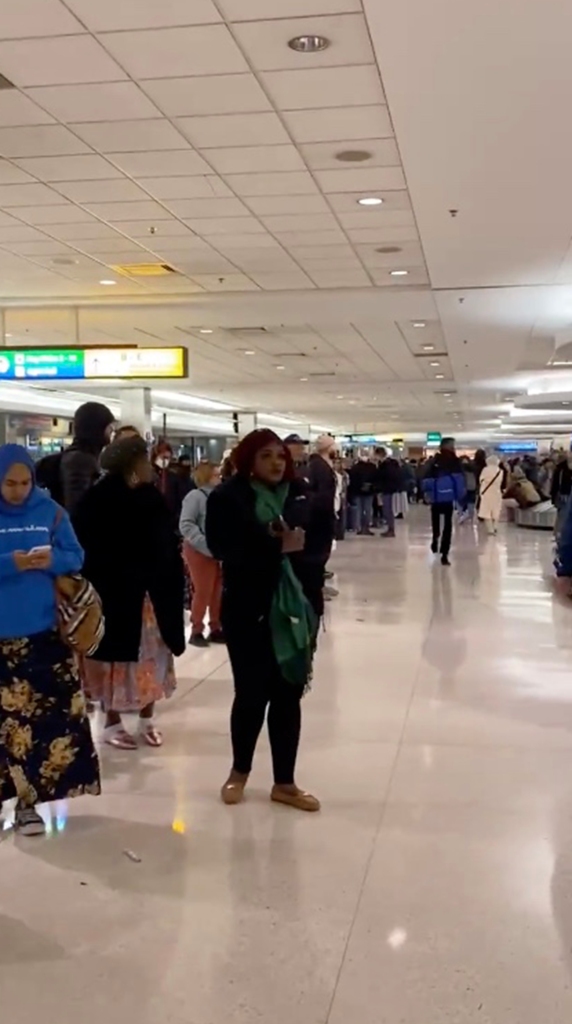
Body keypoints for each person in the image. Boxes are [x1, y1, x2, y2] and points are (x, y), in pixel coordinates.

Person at [206, 429, 320, 812]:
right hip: (248, 609)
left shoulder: (300, 493)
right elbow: (222, 547)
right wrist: (274, 545)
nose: (276, 463)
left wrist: (310, 592)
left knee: (288, 694)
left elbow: (321, 542)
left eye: (280, 456)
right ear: (249, 460)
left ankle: (284, 783)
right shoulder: (228, 497)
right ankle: (239, 772)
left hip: (295, 609)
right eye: (266, 455)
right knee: (252, 694)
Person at [0, 443, 100, 835]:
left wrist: (51, 560)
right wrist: (12, 563)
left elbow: (75, 556)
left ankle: (29, 804)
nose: (18, 491)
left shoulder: (50, 511)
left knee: (41, 726)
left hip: (42, 636)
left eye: (25, 482)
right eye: (9, 483)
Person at [74, 436, 185, 750]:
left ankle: (147, 717)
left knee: (153, 655)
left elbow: (164, 539)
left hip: (153, 594)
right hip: (117, 595)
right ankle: (111, 723)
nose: (150, 465)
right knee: (116, 659)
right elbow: (89, 547)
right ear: (132, 463)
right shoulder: (97, 500)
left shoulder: (150, 495)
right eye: (144, 459)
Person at [36, 401, 114, 513]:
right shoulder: (80, 460)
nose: (111, 431)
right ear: (98, 428)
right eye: (109, 427)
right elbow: (77, 506)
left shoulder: (82, 456)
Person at [180, 461, 224, 647]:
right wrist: (205, 545)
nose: (220, 478)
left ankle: (215, 627)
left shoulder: (220, 497)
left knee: (217, 591)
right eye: (216, 475)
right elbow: (187, 524)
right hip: (199, 550)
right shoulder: (195, 497)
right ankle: (196, 629)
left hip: (218, 551)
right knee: (203, 590)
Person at [422, 437, 466, 565]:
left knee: (435, 520)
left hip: (436, 497)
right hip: (448, 497)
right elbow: (459, 480)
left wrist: (426, 493)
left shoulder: (434, 460)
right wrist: (460, 497)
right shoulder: (455, 461)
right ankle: (444, 554)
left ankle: (435, 538)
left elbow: (425, 477)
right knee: (448, 525)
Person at [307, 434, 337, 598]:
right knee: (318, 553)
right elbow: (320, 493)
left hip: (325, 514)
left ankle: (319, 585)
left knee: (324, 552)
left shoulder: (325, 465)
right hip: (320, 517)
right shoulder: (318, 467)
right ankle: (316, 588)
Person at [375, 447, 402, 538]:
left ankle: (391, 529)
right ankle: (390, 528)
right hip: (391, 489)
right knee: (388, 509)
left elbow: (385, 476)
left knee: (388, 510)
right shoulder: (392, 463)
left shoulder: (386, 465)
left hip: (387, 489)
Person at [348, 454, 377, 535]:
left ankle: (359, 528)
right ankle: (366, 527)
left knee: (359, 510)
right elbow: (375, 478)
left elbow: (352, 480)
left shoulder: (355, 467)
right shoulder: (372, 467)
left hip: (357, 491)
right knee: (368, 510)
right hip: (369, 491)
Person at [478, 455, 504, 534]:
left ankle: (490, 529)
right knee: (496, 509)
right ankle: (495, 526)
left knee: (486, 510)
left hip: (486, 492)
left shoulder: (485, 470)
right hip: (497, 492)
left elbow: (481, 480)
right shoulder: (500, 471)